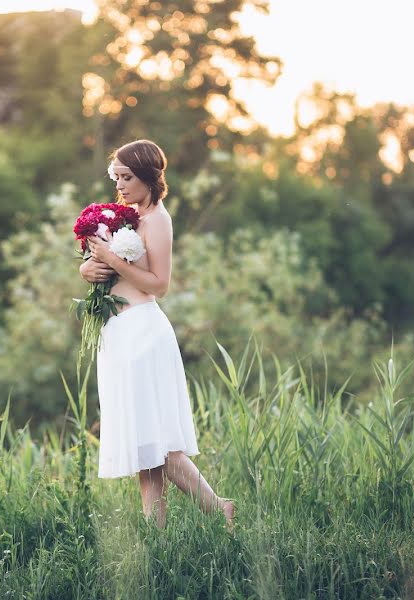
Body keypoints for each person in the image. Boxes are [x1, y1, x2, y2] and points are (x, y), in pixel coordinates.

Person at [80, 139, 235, 530]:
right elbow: (104, 268)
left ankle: (218, 508)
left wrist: (111, 259)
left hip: (143, 334)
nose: (120, 185)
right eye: (116, 177)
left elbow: (158, 284)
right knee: (144, 448)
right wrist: (88, 270)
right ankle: (159, 540)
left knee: (158, 445)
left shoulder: (157, 220)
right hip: (118, 335)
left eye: (127, 177)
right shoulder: (127, 216)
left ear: (150, 176)